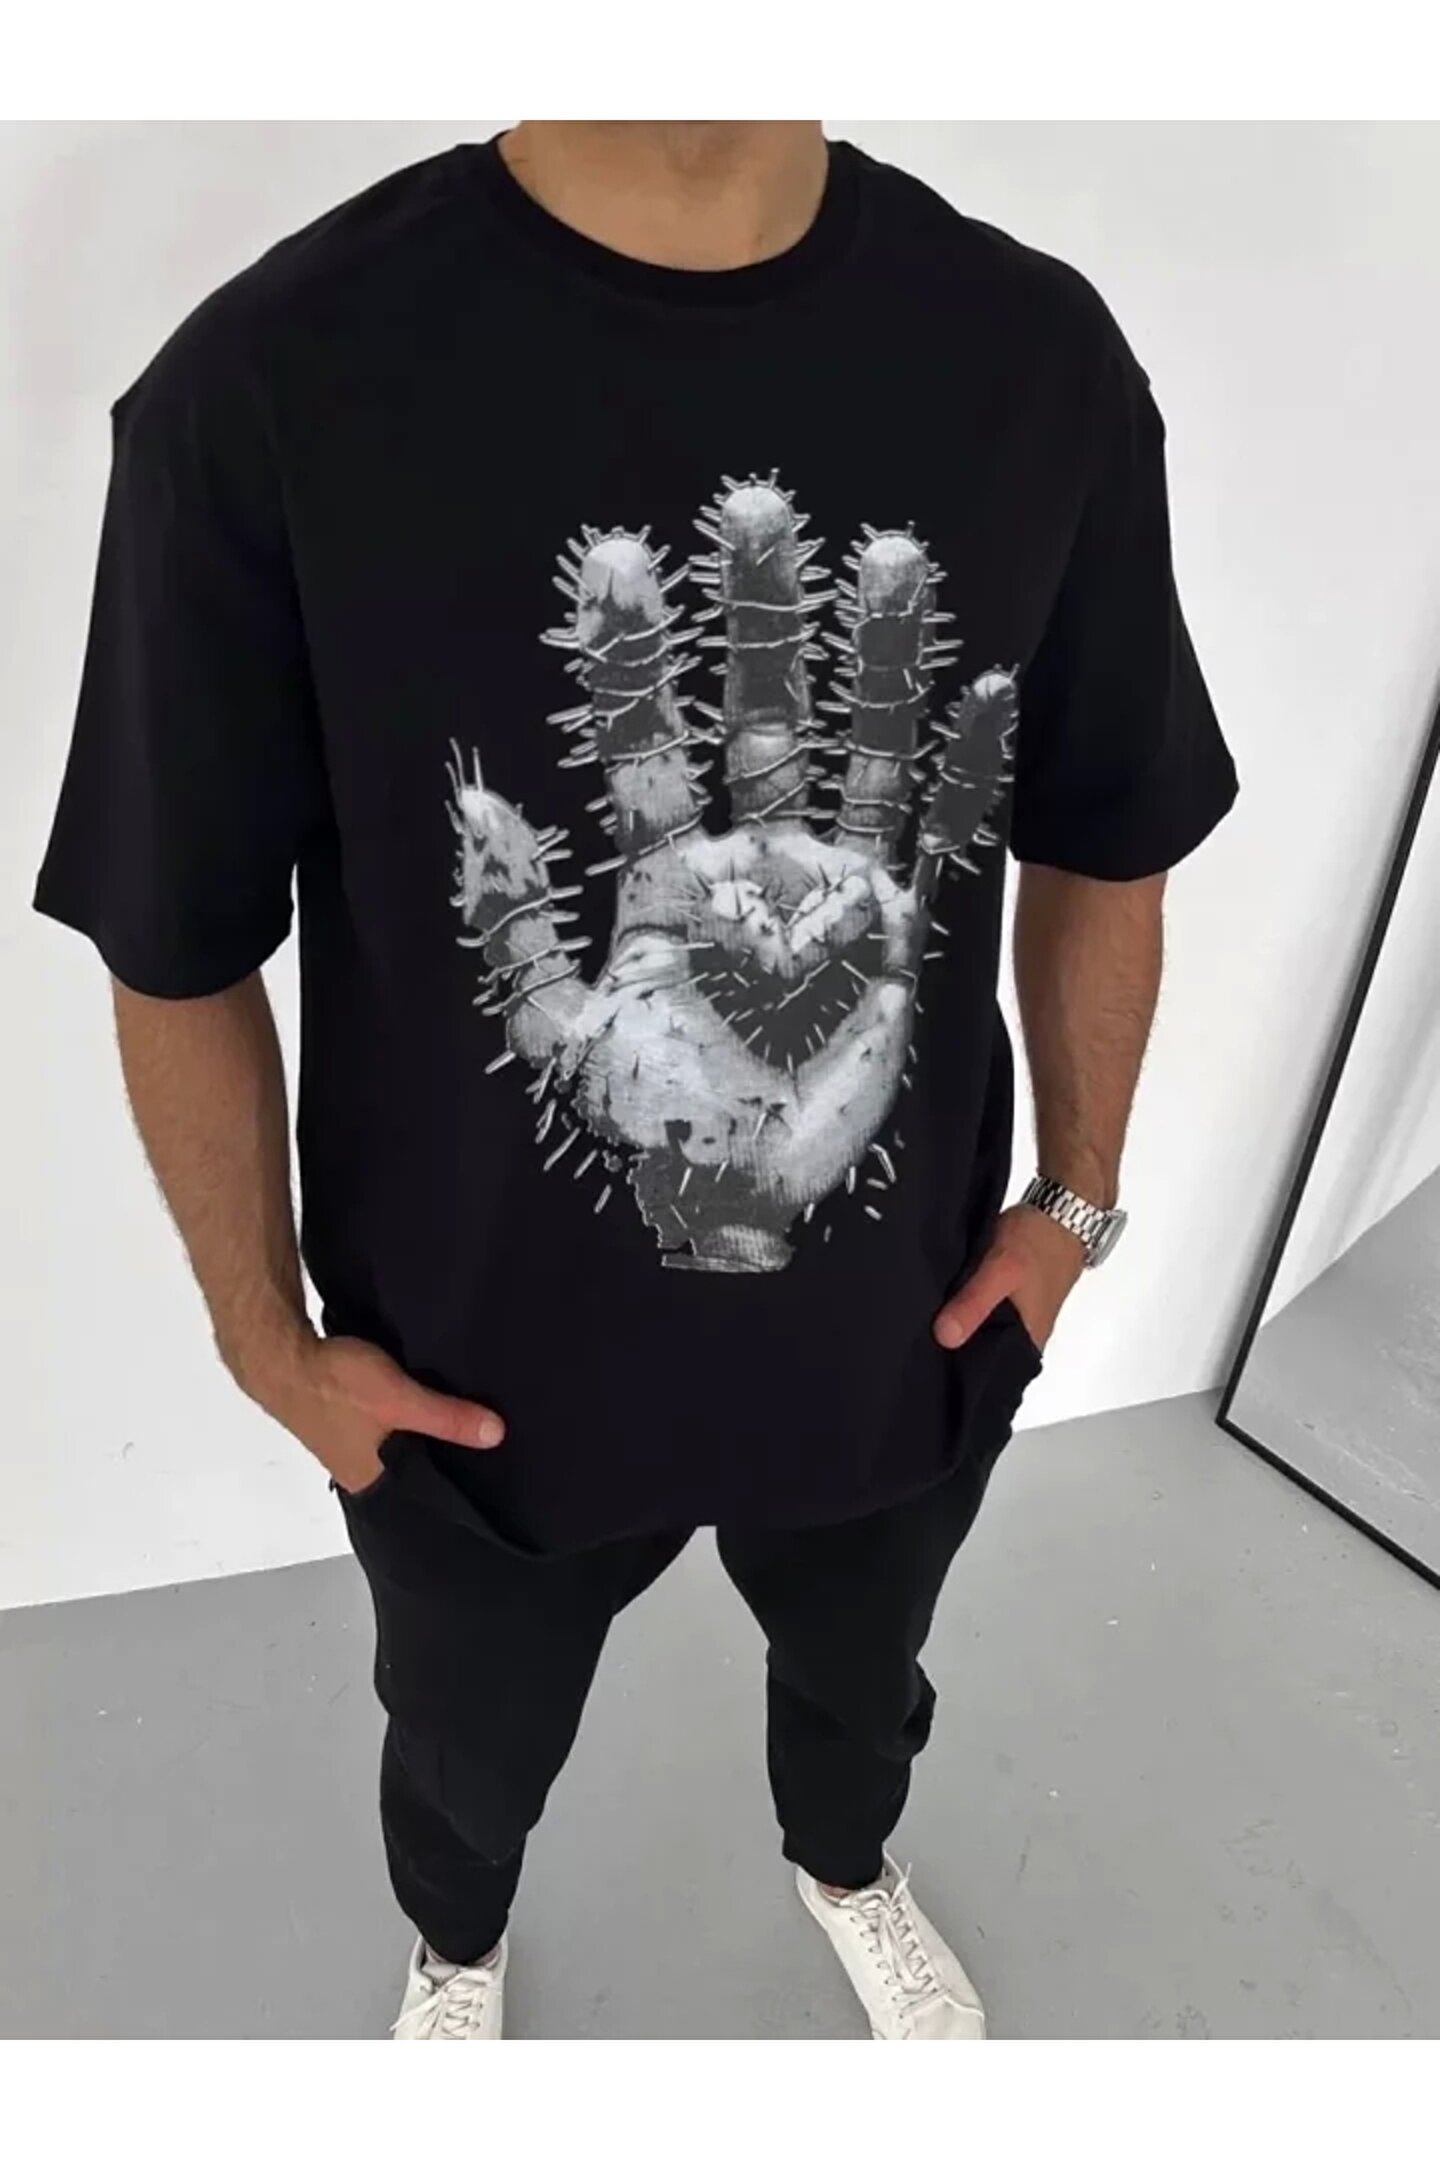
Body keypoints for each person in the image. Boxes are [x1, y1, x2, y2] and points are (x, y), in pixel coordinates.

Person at [34, 120, 1238, 2041]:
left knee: (865, 1693)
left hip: (903, 1345)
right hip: (469, 1399)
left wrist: (1073, 1207)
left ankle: (844, 1863)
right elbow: (169, 931)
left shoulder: (1037, 361)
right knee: (464, 1753)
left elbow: (1113, 830)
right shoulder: (267, 385)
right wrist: (266, 1343)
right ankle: (458, 1942)